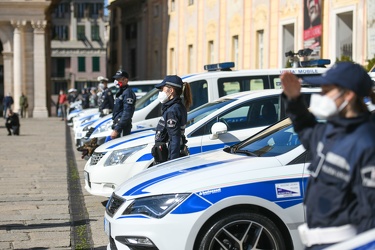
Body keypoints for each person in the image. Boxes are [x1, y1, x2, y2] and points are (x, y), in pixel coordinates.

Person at [280, 62, 375, 250]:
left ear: (348, 95)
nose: (321, 97)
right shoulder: (332, 130)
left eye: (326, 92)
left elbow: (371, 213)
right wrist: (293, 98)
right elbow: (305, 127)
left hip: (348, 244)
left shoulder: (367, 142)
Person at [151, 75, 192, 165]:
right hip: (167, 153)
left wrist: (172, 162)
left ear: (171, 90)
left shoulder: (172, 110)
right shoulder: (175, 106)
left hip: (168, 156)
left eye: (163, 89)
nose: (161, 92)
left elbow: (174, 138)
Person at [110, 70, 136, 139]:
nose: (116, 81)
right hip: (118, 124)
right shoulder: (121, 91)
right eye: (116, 79)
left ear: (125, 80)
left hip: (122, 127)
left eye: (119, 79)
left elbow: (127, 113)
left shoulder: (128, 93)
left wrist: (117, 129)